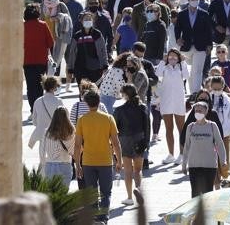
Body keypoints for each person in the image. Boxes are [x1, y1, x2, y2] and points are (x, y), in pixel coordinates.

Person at [74, 90, 122, 222]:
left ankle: (95, 218)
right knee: (106, 192)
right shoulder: (108, 118)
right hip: (105, 161)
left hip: (88, 161)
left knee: (92, 192)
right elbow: (116, 143)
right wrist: (119, 161)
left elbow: (77, 145)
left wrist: (77, 165)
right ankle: (103, 218)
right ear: (99, 101)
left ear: (87, 104)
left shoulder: (82, 120)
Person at [179, 101, 227, 197]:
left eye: (200, 110)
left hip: (210, 166)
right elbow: (187, 146)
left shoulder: (212, 126)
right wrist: (184, 164)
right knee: (195, 193)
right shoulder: (190, 127)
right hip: (194, 165)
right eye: (196, 110)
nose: (198, 112)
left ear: (206, 112)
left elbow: (220, 144)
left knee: (207, 193)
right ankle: (196, 212)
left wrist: (223, 161)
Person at [113, 83, 151, 206]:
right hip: (139, 138)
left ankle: (129, 197)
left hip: (125, 140)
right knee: (138, 170)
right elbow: (147, 126)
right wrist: (146, 142)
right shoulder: (142, 107)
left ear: (125, 94)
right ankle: (139, 189)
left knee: (128, 170)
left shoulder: (119, 109)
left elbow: (115, 128)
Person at [156, 48, 189, 164]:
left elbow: (186, 75)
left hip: (179, 102)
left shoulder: (181, 66)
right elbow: (157, 74)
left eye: (175, 56)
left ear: (178, 57)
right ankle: (170, 154)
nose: (172, 58)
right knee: (169, 129)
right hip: (166, 101)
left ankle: (182, 154)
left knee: (181, 129)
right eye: (170, 56)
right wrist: (162, 61)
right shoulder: (164, 67)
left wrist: (183, 62)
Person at [206, 76, 230, 181]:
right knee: (213, 159)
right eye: (214, 89)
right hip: (210, 135)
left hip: (224, 134)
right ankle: (216, 180)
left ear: (223, 87)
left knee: (225, 158)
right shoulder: (207, 99)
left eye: (219, 89)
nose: (217, 91)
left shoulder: (228, 100)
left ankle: (225, 177)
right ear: (211, 87)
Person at [23, 4, 55, 109]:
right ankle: (40, 108)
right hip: (41, 61)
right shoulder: (43, 25)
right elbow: (51, 43)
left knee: (31, 87)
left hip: (27, 61)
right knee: (40, 86)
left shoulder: (22, 27)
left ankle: (33, 109)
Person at [28, 76, 65, 162]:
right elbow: (64, 120)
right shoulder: (59, 101)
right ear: (55, 87)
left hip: (42, 134)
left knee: (43, 160)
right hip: (55, 134)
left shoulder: (37, 101)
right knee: (56, 160)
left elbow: (34, 121)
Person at [66, 12, 109, 84]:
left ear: (93, 21)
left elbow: (103, 50)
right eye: (86, 19)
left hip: (96, 68)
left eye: (90, 19)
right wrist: (70, 69)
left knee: (95, 92)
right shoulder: (77, 35)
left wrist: (105, 66)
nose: (88, 21)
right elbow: (72, 53)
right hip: (80, 68)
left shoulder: (97, 34)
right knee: (83, 92)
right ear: (82, 21)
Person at [40, 106, 76, 183]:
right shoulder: (71, 132)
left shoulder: (47, 132)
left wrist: (43, 164)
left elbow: (42, 150)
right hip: (65, 164)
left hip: (49, 165)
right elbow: (72, 151)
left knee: (52, 192)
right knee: (63, 192)